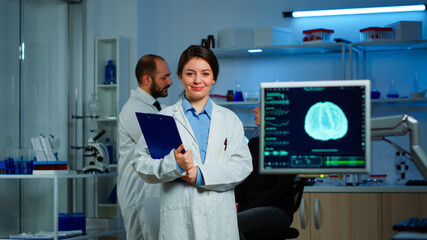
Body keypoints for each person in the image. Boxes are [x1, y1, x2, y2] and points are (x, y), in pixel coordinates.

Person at [131, 45, 253, 240]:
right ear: (180, 76)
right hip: (179, 221)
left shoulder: (230, 120)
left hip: (220, 219)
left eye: (205, 73)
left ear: (213, 78)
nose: (197, 80)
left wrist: (200, 175)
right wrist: (174, 165)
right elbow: (140, 163)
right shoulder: (164, 118)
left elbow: (243, 166)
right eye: (190, 74)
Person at [117, 54, 172, 240]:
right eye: (164, 77)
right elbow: (163, 148)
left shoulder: (154, 107)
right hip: (139, 195)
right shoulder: (134, 109)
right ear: (147, 79)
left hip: (151, 194)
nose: (170, 81)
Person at [235, 105, 297, 240]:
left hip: (277, 210)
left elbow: (281, 190)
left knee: (232, 224)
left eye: (260, 106)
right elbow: (242, 179)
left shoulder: (286, 146)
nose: (254, 110)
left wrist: (247, 208)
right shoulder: (253, 143)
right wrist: (237, 204)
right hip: (250, 208)